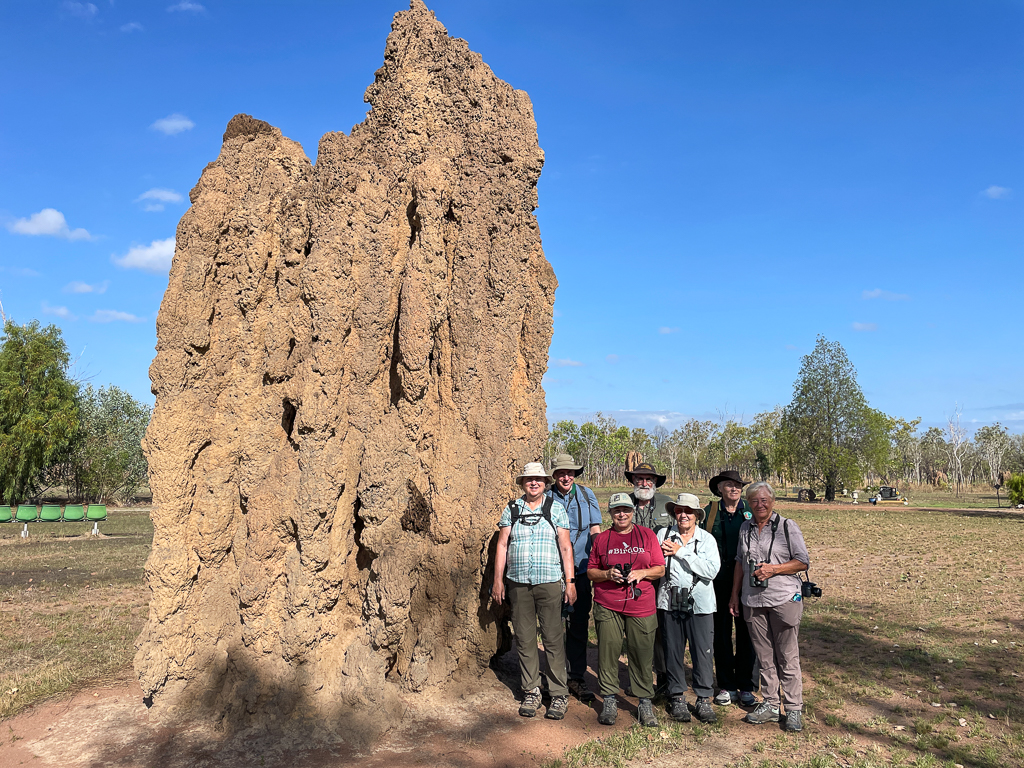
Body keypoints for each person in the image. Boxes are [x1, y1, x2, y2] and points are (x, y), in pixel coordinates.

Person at [492, 462, 577, 720]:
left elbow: (565, 548)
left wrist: (570, 581)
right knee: (525, 638)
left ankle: (559, 693)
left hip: (549, 582)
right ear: (522, 483)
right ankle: (531, 690)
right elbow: (503, 546)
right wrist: (498, 581)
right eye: (529, 479)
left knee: (552, 638)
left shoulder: (556, 509)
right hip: (518, 583)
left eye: (538, 479)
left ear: (545, 483)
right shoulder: (512, 510)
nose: (534, 483)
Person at [728, 481, 810, 732]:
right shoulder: (745, 527)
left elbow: (802, 562)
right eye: (754, 501)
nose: (759, 504)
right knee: (764, 657)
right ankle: (772, 704)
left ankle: (794, 707)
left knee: (787, 655)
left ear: (772, 501)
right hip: (753, 600)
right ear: (748, 504)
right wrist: (734, 595)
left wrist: (773, 569)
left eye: (764, 500)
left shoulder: (787, 526)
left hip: (783, 598)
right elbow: (740, 562)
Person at [587, 492, 666, 728]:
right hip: (608, 602)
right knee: (608, 653)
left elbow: (660, 569)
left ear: (633, 512)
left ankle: (644, 702)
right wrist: (607, 574)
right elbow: (591, 571)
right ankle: (610, 699)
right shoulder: (602, 539)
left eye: (626, 510)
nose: (622, 514)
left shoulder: (647, 535)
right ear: (610, 513)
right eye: (617, 510)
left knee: (641, 654)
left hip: (640, 603)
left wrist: (642, 573)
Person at [657, 493, 721, 723]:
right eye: (679, 510)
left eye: (688, 511)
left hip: (701, 604)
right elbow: (656, 566)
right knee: (673, 651)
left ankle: (704, 698)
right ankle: (677, 697)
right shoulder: (663, 535)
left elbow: (711, 571)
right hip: (669, 601)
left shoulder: (707, 540)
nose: (683, 515)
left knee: (702, 651)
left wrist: (681, 552)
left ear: (697, 516)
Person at [546, 453, 602, 704]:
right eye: (561, 472)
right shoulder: (545, 497)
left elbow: (595, 530)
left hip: (580, 569)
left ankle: (576, 677)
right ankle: (555, 678)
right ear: (554, 475)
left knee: (578, 624)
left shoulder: (587, 496)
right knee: (553, 626)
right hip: (551, 571)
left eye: (570, 472)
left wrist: (598, 561)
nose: (566, 476)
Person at [701, 469, 759, 708]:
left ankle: (746, 685)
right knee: (721, 632)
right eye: (729, 485)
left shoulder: (751, 510)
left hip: (748, 580)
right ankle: (725, 685)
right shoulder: (708, 512)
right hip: (717, 581)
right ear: (719, 488)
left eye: (738, 485)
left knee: (747, 633)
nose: (735, 489)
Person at [624, 461, 674, 694]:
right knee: (636, 629)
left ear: (655, 483)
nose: (644, 483)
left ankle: (664, 676)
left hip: (662, 575)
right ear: (633, 482)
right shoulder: (624, 503)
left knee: (662, 628)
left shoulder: (667, 504)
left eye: (649, 480)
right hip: (633, 577)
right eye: (639, 479)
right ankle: (638, 677)